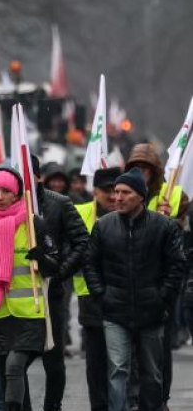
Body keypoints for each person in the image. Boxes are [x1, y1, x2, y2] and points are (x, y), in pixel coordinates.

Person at [85, 167, 186, 411]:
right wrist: (102, 295)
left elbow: (176, 266)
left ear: (140, 196)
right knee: (118, 370)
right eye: (116, 192)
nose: (117, 197)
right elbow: (90, 264)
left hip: (151, 312)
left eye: (125, 192)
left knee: (152, 373)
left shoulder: (164, 227)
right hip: (115, 312)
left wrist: (162, 299)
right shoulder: (104, 226)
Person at [0, 168, 61, 411]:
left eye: (6, 191)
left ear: (17, 195)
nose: (1, 196)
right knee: (9, 374)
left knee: (15, 366)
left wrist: (42, 259)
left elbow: (55, 266)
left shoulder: (34, 224)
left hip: (29, 315)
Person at [22, 156, 90, 411]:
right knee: (17, 361)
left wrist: (60, 271)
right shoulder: (6, 202)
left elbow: (83, 241)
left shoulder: (59, 203)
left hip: (52, 292)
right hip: (18, 293)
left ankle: (53, 406)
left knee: (53, 361)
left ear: (38, 176)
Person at [73, 167, 121, 411]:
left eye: (117, 190)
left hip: (123, 301)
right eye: (106, 191)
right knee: (97, 366)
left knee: (122, 365)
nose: (113, 196)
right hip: (90, 302)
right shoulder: (79, 213)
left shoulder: (131, 212)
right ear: (95, 191)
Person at [126, 143, 187, 218]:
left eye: (144, 167)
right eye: (135, 167)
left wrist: (167, 222)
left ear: (153, 171)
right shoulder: (120, 195)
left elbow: (185, 226)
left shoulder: (177, 196)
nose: (139, 171)